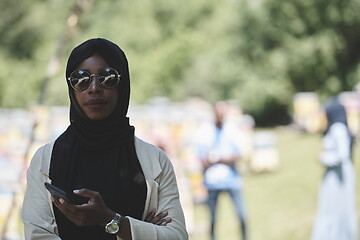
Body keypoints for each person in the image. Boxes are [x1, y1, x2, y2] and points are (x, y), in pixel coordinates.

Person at [21, 38, 188, 240]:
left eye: (107, 77)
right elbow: (38, 235)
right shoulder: (46, 160)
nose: (93, 88)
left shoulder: (155, 162)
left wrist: (112, 220)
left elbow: (176, 236)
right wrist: (140, 230)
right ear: (71, 88)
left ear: (123, 83)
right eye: (81, 79)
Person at [195, 101, 247, 240]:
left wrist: (220, 159)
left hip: (231, 180)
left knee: (241, 216)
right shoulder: (204, 130)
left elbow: (239, 154)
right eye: (219, 114)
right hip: (212, 182)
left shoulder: (232, 129)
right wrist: (209, 160)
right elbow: (200, 156)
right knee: (212, 219)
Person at [311, 97, 358, 240]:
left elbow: (342, 155)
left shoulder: (338, 128)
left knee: (339, 207)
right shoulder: (336, 127)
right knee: (331, 206)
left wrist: (324, 158)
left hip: (339, 175)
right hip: (335, 174)